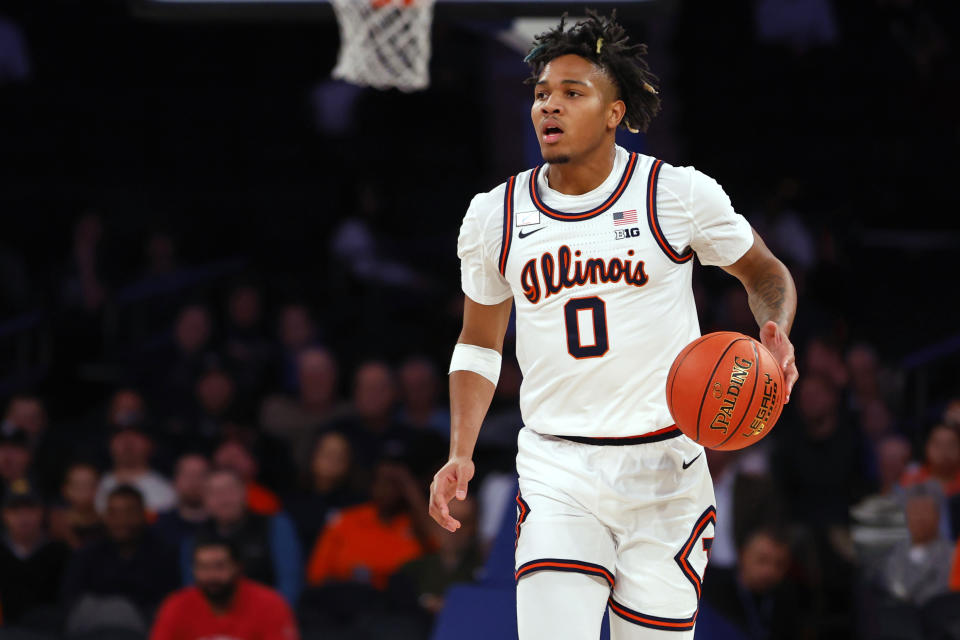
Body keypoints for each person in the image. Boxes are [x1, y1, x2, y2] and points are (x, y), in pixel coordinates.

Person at [428, 12, 798, 639]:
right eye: (543, 93)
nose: (550, 105)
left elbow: (765, 275)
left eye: (573, 93)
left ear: (614, 112)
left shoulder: (673, 195)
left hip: (667, 470)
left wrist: (776, 330)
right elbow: (478, 343)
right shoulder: (495, 214)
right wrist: (460, 451)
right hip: (558, 468)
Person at [62, 485, 180, 627]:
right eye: (114, 513)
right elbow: (71, 600)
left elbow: (170, 604)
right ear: (105, 516)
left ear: (143, 514)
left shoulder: (163, 553)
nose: (121, 520)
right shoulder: (87, 554)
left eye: (128, 512)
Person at [306, 459, 432, 591]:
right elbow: (316, 576)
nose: (388, 489)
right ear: (373, 485)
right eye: (383, 482)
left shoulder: (418, 525)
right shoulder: (344, 520)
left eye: (395, 484)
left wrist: (411, 489)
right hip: (344, 599)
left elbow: (442, 544)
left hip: (397, 602)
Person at [185, 468, 302, 606]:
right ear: (204, 500)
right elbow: (192, 591)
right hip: (213, 620)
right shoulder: (194, 539)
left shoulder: (275, 526)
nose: (224, 499)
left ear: (245, 493)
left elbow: (290, 583)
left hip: (267, 613)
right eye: (215, 493)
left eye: (230, 490)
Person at [150, 534, 300, 640]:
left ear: (238, 567)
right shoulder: (176, 605)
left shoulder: (270, 604)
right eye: (203, 567)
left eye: (219, 566)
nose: (211, 575)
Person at [0, 484, 71, 627]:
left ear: (42, 512)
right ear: (4, 514)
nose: (23, 517)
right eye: (15, 510)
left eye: (30, 509)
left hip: (50, 630)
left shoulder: (60, 552)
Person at [95, 424, 176, 514]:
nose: (128, 442)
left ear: (150, 444)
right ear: (110, 444)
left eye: (135, 436)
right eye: (121, 436)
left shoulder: (165, 491)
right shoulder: (94, 486)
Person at [153, 453, 210, 548]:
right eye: (187, 475)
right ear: (175, 480)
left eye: (201, 475)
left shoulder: (222, 526)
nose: (194, 482)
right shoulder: (159, 525)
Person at [49, 461, 105, 549]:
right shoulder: (57, 526)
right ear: (65, 490)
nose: (84, 491)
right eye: (78, 486)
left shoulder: (108, 524)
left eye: (90, 485)